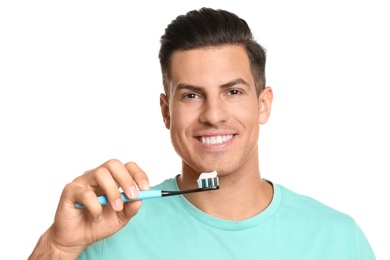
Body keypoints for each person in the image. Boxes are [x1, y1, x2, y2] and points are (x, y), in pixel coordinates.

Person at [29, 7, 375, 259]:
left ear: (263, 104)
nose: (213, 115)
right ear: (167, 111)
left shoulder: (338, 239)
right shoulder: (107, 228)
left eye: (233, 92)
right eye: (191, 95)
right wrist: (60, 247)